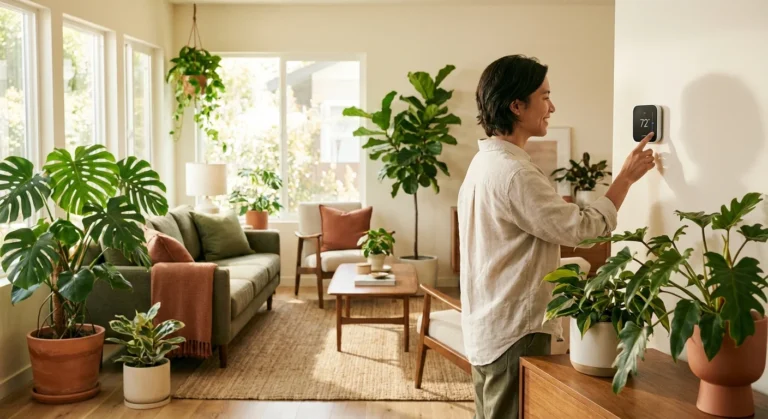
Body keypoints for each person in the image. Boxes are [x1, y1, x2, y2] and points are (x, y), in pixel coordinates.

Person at [457, 54, 656, 419]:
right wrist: (625, 180)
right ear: (517, 105)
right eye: (544, 96)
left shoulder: (483, 164)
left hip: (486, 327)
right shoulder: (515, 173)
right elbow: (581, 228)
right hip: (515, 332)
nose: (552, 106)